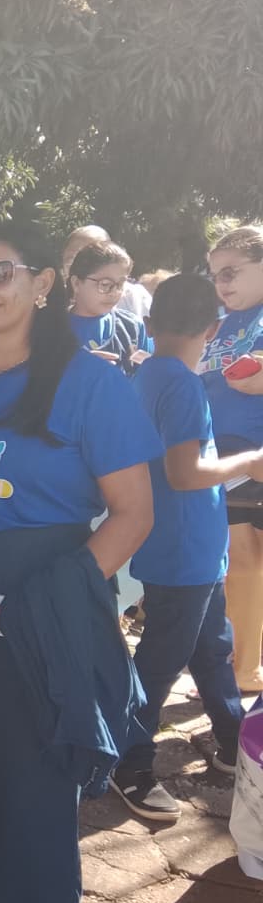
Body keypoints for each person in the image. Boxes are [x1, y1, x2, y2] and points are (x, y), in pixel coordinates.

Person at [0, 223, 159, 903]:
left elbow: (134, 513)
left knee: (36, 788)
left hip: (38, 600)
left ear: (44, 283)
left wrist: (51, 600)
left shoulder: (89, 382)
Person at [111, 274, 255, 822]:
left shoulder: (148, 372)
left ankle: (234, 742)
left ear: (149, 324)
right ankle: (128, 763)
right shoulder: (183, 385)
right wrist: (249, 462)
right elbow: (185, 472)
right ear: (213, 329)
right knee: (159, 662)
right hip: (183, 550)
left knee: (213, 647)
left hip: (190, 546)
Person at [200, 225, 263, 695]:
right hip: (227, 452)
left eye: (231, 272)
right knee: (240, 560)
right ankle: (242, 668)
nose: (221, 283)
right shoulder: (217, 321)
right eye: (215, 274)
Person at [67, 241, 151, 375]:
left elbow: (148, 376)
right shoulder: (54, 329)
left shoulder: (132, 327)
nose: (114, 292)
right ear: (76, 283)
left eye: (120, 284)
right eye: (105, 284)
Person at [62, 224, 152, 322]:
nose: (77, 264)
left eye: (93, 258)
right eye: (71, 258)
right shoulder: (53, 300)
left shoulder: (134, 299)